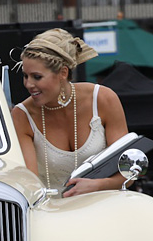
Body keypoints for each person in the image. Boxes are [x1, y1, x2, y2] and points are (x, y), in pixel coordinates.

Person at [12, 28, 129, 195]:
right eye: (25, 76)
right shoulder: (22, 115)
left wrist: (97, 185)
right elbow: (30, 185)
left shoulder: (103, 99)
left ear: (63, 73)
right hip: (51, 212)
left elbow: (128, 171)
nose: (28, 84)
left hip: (104, 204)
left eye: (36, 77)